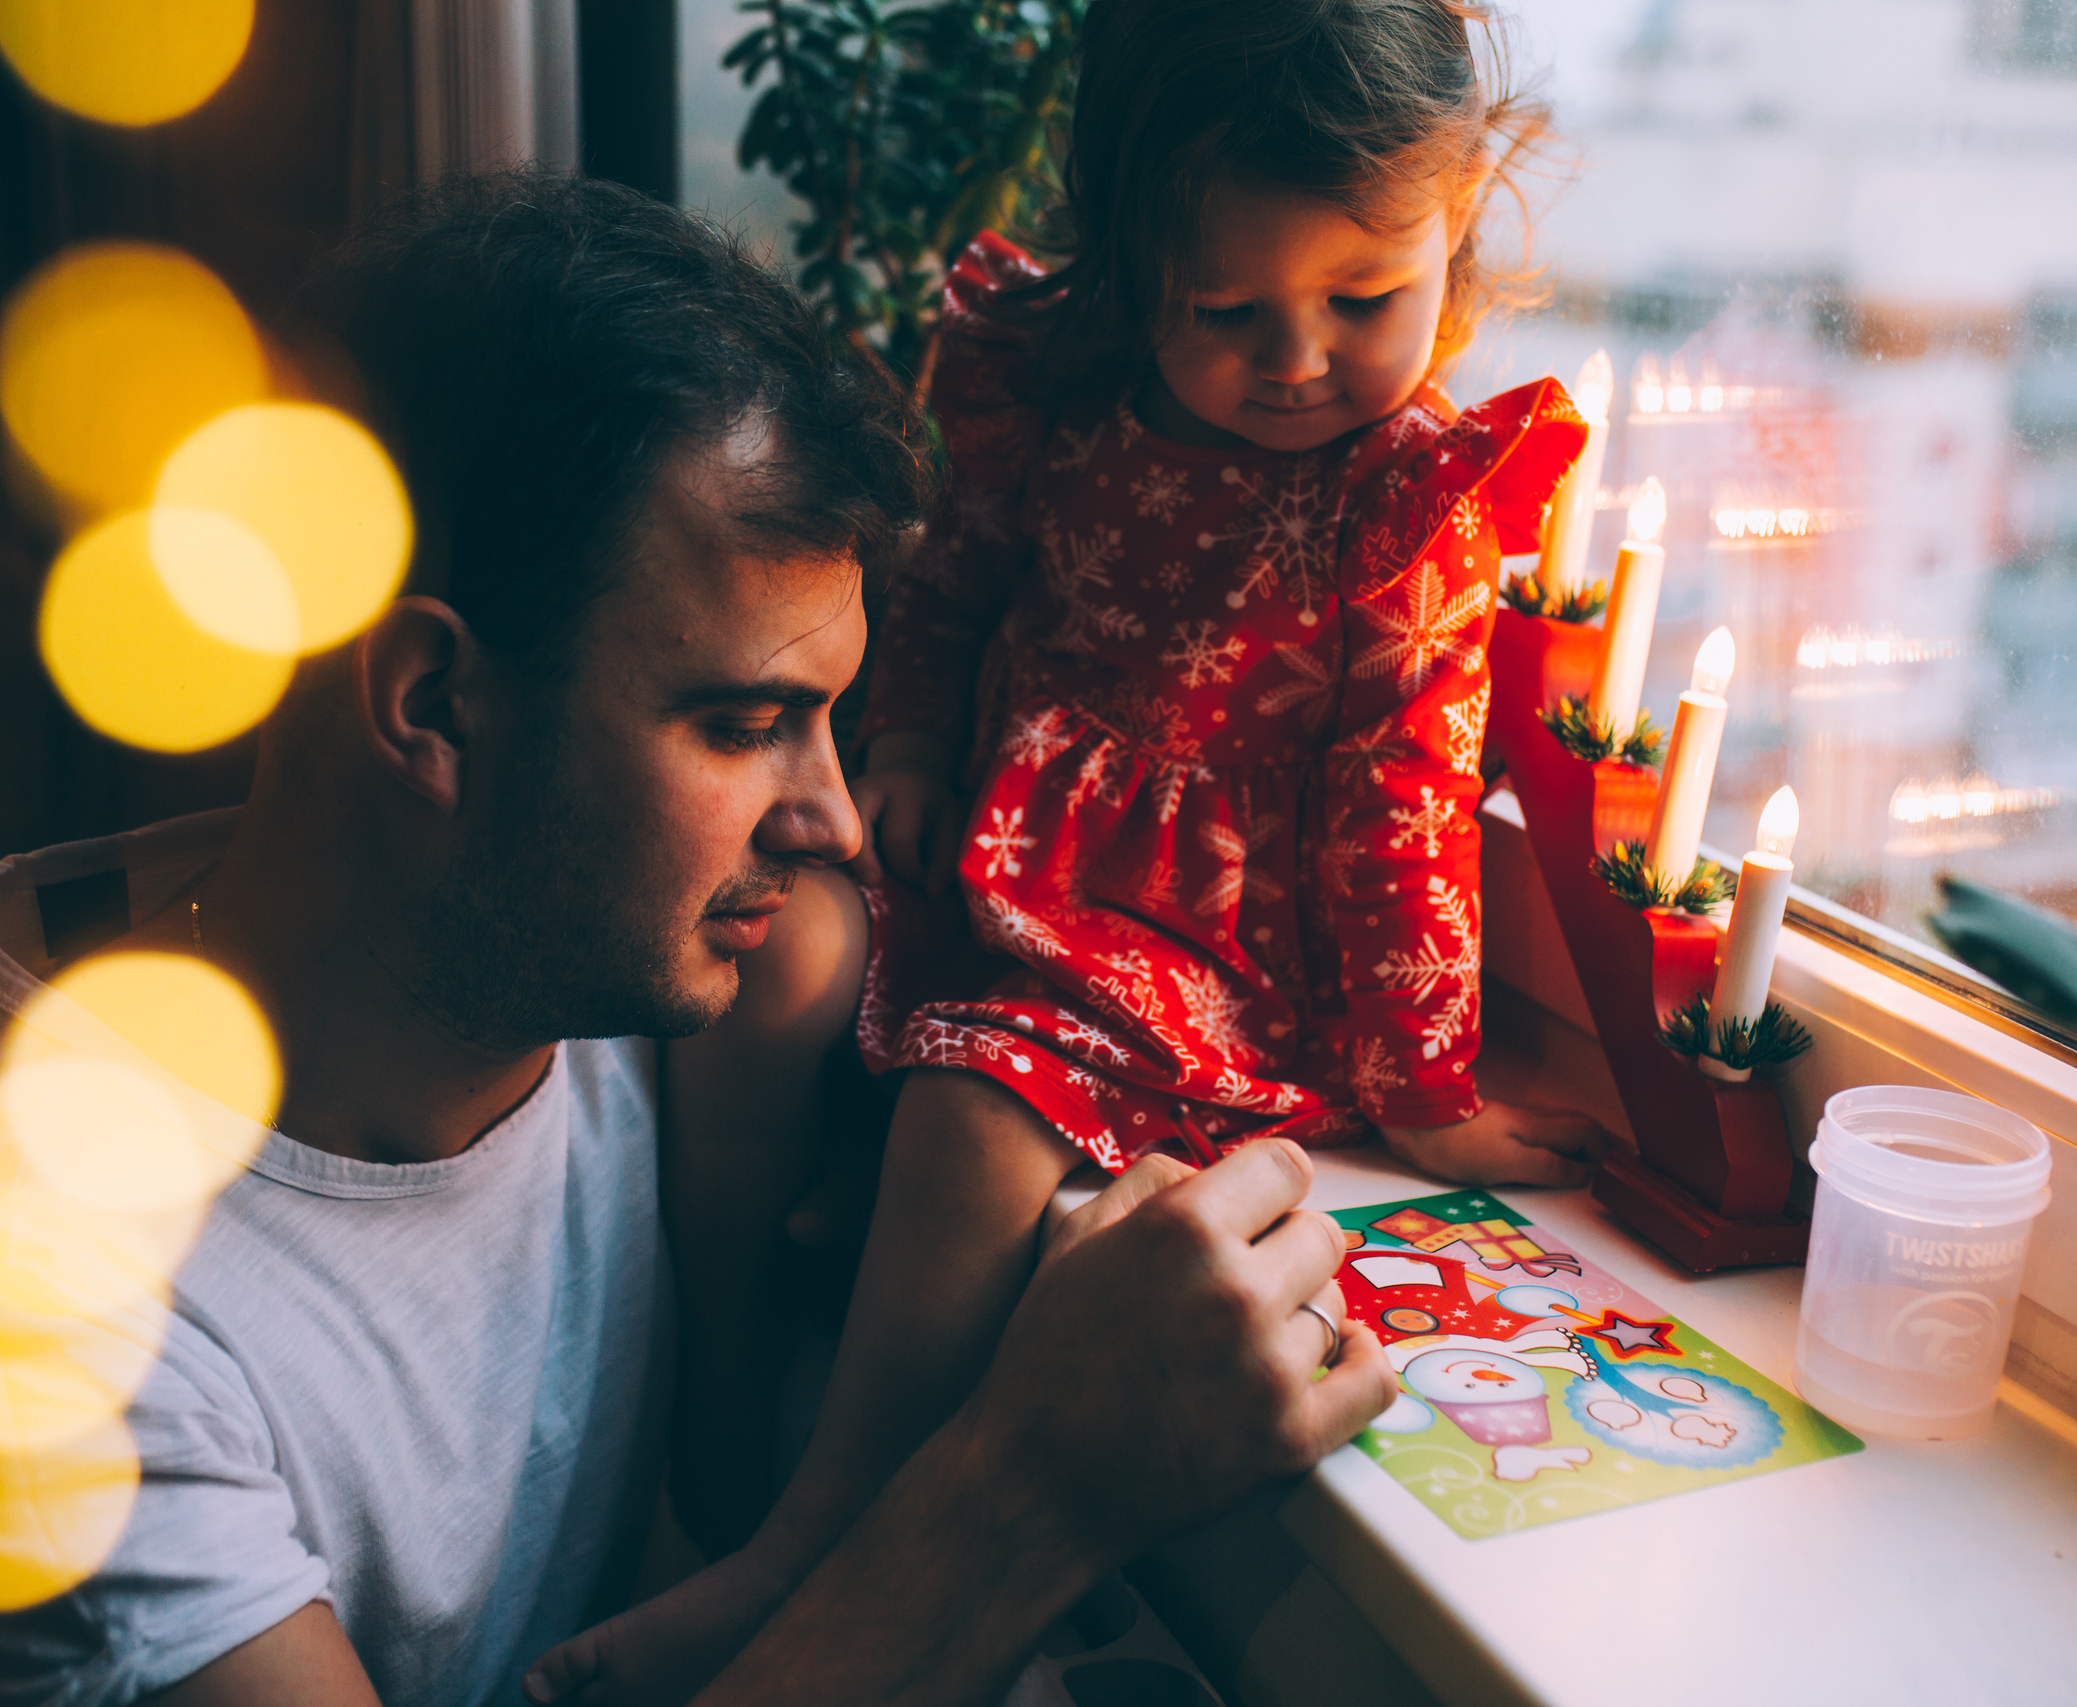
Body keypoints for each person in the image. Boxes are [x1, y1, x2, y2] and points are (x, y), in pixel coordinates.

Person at [0, 173, 1393, 1707]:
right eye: (746, 726)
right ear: (433, 705)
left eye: (829, 723)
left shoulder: (547, 952)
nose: (833, 819)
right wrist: (1031, 1491)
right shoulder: (14, 1350)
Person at [530, 0, 1607, 1697]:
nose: (1299, 356)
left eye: (1363, 300)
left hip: (1194, 943)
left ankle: (808, 1541)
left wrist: (1421, 1084)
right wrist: (902, 741)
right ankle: (711, 1377)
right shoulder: (1050, 380)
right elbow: (956, 576)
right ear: (1129, 261)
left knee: (982, 1100)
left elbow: (1403, 802)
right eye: (1227, 309)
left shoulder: (1405, 501)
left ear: (1457, 216)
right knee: (784, 949)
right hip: (985, 839)